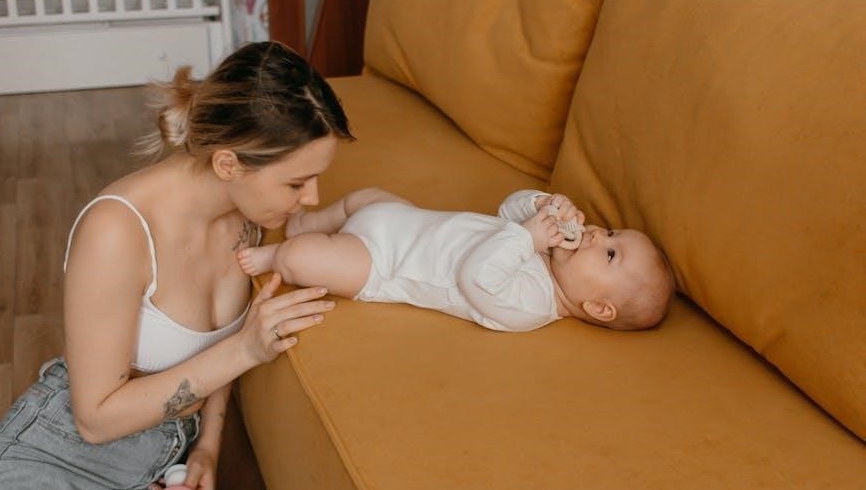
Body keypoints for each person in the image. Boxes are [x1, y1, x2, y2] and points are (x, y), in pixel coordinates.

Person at [0, 41, 354, 490]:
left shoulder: (249, 219)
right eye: (296, 183)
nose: (311, 197)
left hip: (165, 472)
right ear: (228, 164)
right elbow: (95, 420)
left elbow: (218, 351)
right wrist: (247, 349)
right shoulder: (117, 230)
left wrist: (208, 447)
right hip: (58, 461)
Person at [237, 188, 675, 332]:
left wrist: (529, 236)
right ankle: (307, 222)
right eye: (611, 231)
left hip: (382, 263)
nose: (597, 235)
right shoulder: (545, 249)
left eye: (610, 252)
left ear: (598, 307)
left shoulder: (532, 305)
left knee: (303, 258)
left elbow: (476, 276)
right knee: (363, 199)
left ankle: (279, 252)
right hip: (405, 218)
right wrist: (540, 204)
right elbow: (506, 211)